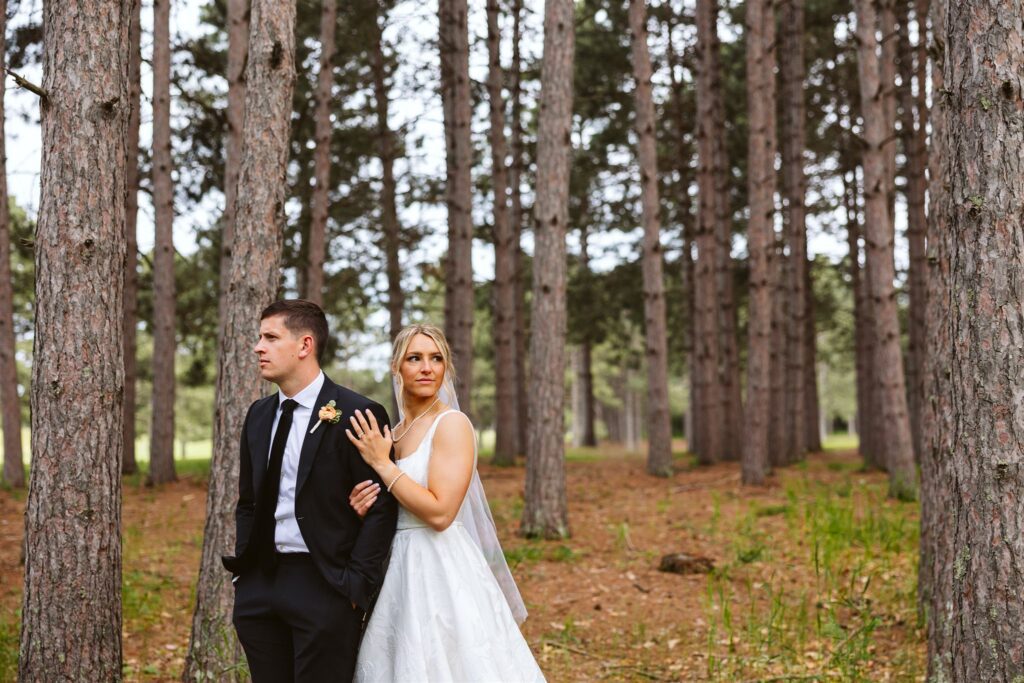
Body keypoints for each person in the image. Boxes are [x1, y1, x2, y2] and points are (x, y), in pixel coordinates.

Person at [345, 324, 545, 682]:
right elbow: (396, 500)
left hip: (438, 565)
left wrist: (381, 464)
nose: (426, 367)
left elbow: (440, 513)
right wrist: (364, 506)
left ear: (446, 369)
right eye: (415, 358)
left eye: (436, 359)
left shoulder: (451, 424)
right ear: (396, 368)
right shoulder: (395, 433)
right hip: (395, 566)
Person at [221, 299, 397, 682]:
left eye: (270, 337)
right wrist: (244, 578)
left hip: (325, 586)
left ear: (304, 345)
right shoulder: (259, 414)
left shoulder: (357, 413)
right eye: (259, 337)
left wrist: (354, 587)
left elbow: (382, 508)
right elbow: (248, 501)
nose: (258, 347)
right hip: (260, 587)